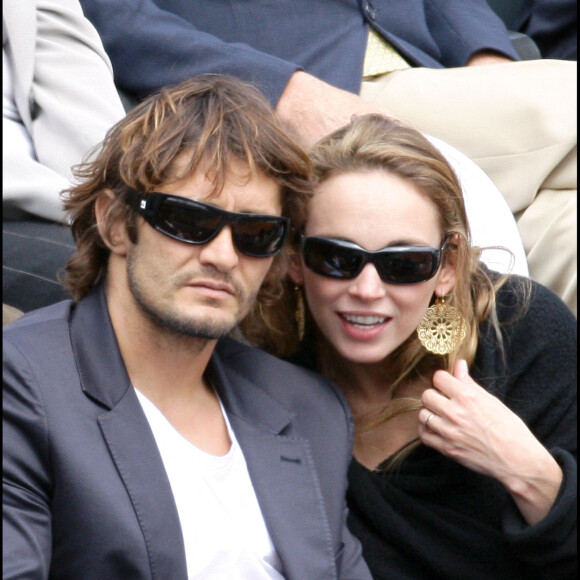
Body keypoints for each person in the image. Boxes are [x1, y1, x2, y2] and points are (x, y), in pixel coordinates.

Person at [3, 74, 372, 580]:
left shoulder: (309, 410)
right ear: (115, 223)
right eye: (188, 221)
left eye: (256, 233)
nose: (222, 256)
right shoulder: (23, 384)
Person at [78, 0, 577, 314]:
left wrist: (485, 59)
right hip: (312, 92)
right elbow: (113, 14)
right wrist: (285, 92)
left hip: (443, 75)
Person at [243, 114, 577, 579]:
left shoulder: (526, 334)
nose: (366, 288)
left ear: (447, 266)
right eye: (337, 258)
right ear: (296, 259)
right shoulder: (261, 374)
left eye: (404, 264)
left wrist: (528, 472)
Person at [3, 0, 126, 312]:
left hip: (69, 199)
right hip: (31, 207)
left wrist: (125, 205)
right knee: (132, 291)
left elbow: (65, 54)